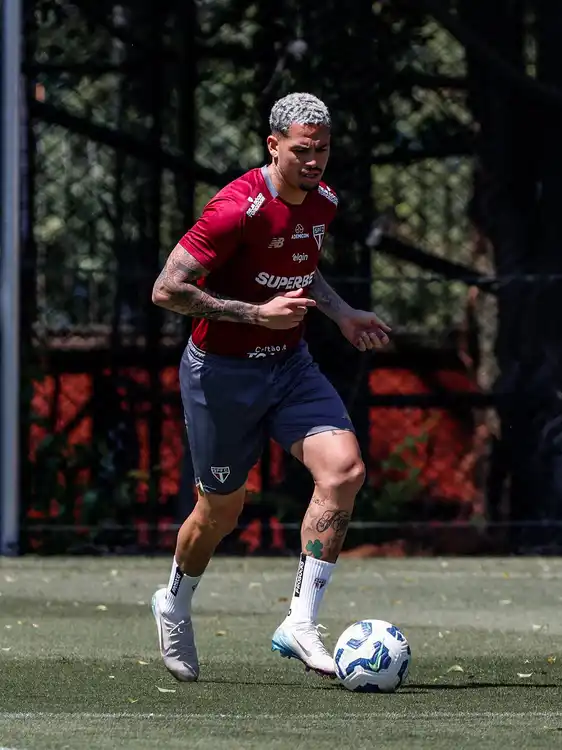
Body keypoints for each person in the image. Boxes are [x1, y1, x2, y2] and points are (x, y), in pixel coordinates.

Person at [150, 92, 390, 682]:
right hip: (221, 375)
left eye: (322, 150)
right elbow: (167, 289)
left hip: (290, 366)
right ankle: (174, 602)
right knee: (220, 512)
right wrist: (257, 315)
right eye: (302, 150)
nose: (314, 161)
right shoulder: (235, 209)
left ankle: (300, 622)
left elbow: (303, 266)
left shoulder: (323, 200)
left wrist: (340, 313)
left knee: (344, 471)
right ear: (273, 145)